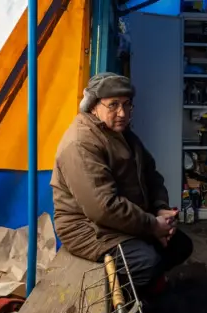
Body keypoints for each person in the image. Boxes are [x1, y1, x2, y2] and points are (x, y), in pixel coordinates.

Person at [51, 72, 193, 295]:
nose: (122, 113)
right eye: (113, 105)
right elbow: (102, 208)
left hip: (122, 220)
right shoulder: (80, 143)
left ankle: (144, 288)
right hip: (88, 228)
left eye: (127, 105)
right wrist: (153, 225)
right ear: (93, 106)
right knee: (147, 263)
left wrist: (160, 208)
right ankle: (127, 299)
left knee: (181, 246)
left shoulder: (121, 133)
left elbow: (150, 173)